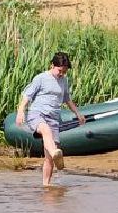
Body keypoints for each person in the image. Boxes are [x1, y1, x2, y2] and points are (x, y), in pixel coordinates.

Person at [15, 52, 88, 188]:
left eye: (64, 72)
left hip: (53, 118)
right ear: (52, 65)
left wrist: (78, 113)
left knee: (49, 158)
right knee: (46, 131)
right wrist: (20, 111)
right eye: (60, 70)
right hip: (37, 114)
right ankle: (55, 152)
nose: (62, 74)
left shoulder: (64, 81)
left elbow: (67, 99)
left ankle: (46, 185)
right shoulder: (41, 78)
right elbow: (27, 96)